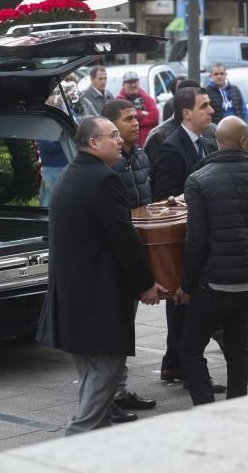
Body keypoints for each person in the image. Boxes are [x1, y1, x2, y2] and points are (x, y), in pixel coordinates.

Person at [36, 116, 166, 436]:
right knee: (105, 377)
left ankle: (97, 448)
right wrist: (146, 285)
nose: (120, 139)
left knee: (93, 378)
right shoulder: (104, 180)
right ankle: (74, 444)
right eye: (112, 135)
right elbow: (124, 241)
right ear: (94, 143)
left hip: (73, 298)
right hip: (97, 301)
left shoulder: (71, 173)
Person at [175, 116, 248, 406]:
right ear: (245, 142)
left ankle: (207, 410)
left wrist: (187, 283)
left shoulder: (198, 180)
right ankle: (237, 407)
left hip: (215, 281)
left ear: (216, 142)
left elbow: (196, 240)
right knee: (238, 348)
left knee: (190, 347)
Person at [153, 87, 224, 391]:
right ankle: (190, 370)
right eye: (204, 106)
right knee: (187, 308)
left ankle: (173, 364)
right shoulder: (172, 147)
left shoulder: (206, 141)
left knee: (185, 309)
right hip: (184, 243)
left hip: (200, 239)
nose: (211, 111)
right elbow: (162, 199)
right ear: (186, 114)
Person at [101, 99, 156, 421]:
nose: (135, 123)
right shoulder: (109, 163)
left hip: (139, 250)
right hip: (117, 255)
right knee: (111, 330)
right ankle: (106, 397)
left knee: (126, 327)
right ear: (110, 127)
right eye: (127, 119)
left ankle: (120, 390)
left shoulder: (141, 155)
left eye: (136, 117)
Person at [144, 78, 216, 175]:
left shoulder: (213, 131)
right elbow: (150, 175)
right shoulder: (159, 135)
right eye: (203, 106)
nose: (211, 111)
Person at [116, 71, 158, 147]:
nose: (133, 85)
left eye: (135, 82)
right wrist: (142, 114)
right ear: (123, 85)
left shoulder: (147, 98)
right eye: (129, 82)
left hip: (148, 143)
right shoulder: (118, 101)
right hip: (126, 144)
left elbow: (154, 117)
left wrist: (137, 121)